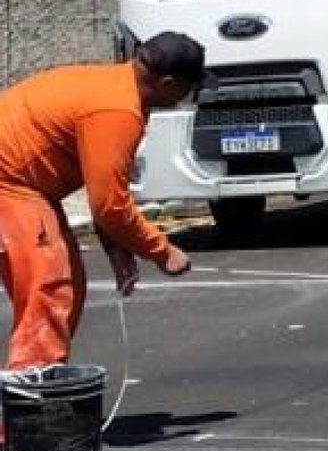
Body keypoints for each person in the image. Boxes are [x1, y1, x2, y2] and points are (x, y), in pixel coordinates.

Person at [0, 32, 202, 371]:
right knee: (48, 285)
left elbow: (106, 190)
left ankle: (37, 391)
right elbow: (110, 206)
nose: (187, 98)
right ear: (168, 83)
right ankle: (27, 410)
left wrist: (115, 245)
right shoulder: (119, 110)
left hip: (20, 182)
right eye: (187, 90)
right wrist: (162, 252)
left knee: (65, 286)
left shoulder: (118, 86)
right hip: (9, 182)